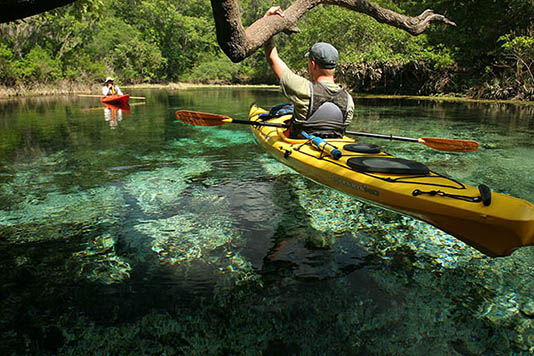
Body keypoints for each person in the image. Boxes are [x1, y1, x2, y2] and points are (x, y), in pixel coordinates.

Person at [263, 6, 354, 139]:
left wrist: (267, 21)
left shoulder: (302, 89)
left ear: (313, 64)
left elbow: (273, 58)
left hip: (299, 145)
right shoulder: (349, 100)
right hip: (333, 147)